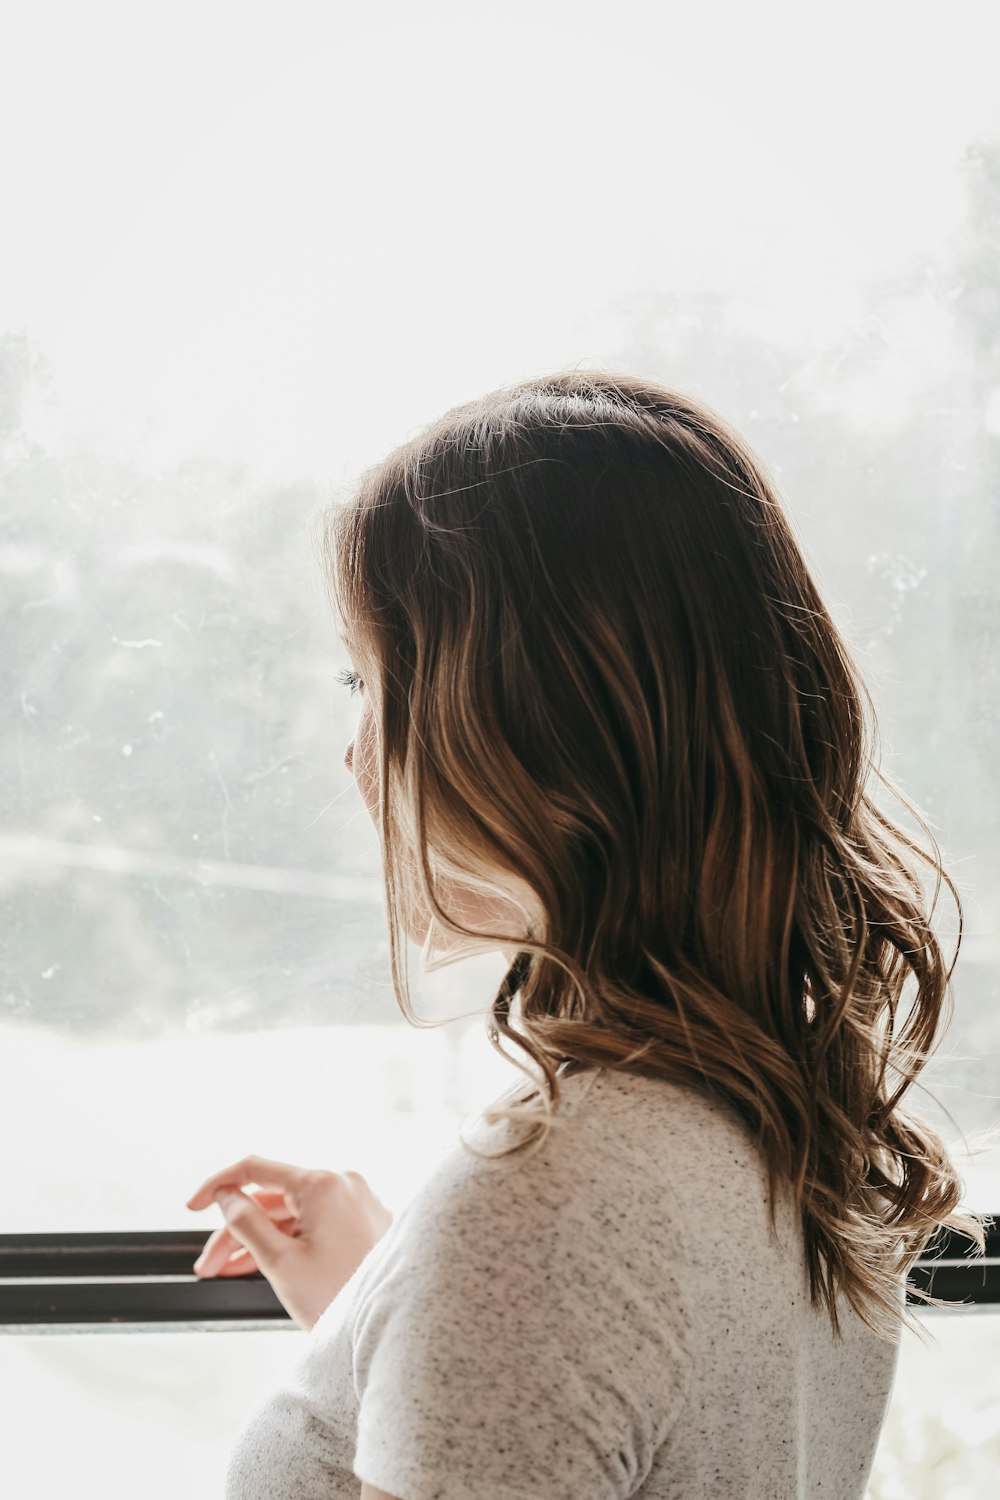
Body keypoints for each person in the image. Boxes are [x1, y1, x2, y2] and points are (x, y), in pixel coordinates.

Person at [185, 371, 988, 1499]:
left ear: (520, 720)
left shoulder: (543, 1221)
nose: (356, 753)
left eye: (371, 679)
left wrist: (470, 1284)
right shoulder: (783, 1121)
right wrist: (388, 1316)